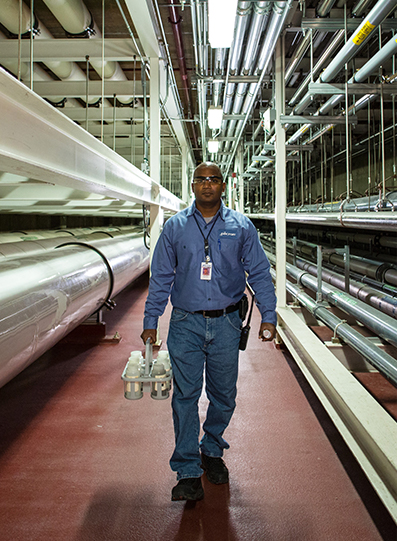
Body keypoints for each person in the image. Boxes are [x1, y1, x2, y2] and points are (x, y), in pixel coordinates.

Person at [141, 161, 276, 501]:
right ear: (192, 184)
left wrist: (269, 315)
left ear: (221, 186)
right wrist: (150, 322)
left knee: (224, 395)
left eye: (213, 179)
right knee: (185, 397)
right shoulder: (174, 228)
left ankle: (212, 448)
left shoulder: (241, 227)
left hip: (228, 322)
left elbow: (259, 272)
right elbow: (160, 277)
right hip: (186, 321)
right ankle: (187, 470)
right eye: (201, 179)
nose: (207, 185)